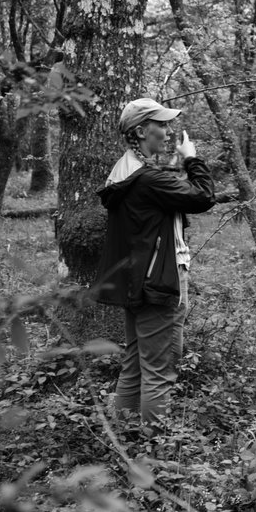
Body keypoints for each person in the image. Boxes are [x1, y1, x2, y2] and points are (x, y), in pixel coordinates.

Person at [94, 98, 217, 425]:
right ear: (139, 130)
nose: (167, 131)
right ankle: (155, 454)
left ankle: (127, 434)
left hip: (137, 281)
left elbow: (155, 211)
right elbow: (203, 197)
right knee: (161, 369)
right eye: (160, 124)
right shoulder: (148, 178)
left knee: (136, 361)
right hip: (159, 281)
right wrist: (193, 160)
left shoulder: (124, 170)